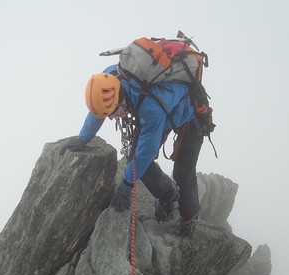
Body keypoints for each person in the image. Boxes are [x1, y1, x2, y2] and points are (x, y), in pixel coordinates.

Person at [63, 64, 203, 236]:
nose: (111, 118)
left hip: (191, 117)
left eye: (112, 113)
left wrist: (126, 185)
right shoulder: (109, 79)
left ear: (120, 100)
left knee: (183, 173)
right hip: (163, 109)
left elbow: (146, 153)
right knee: (133, 160)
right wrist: (83, 138)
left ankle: (190, 216)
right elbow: (99, 108)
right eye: (108, 115)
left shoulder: (150, 108)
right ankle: (168, 193)